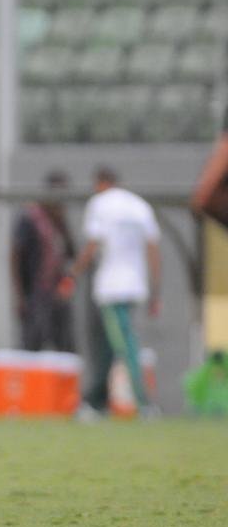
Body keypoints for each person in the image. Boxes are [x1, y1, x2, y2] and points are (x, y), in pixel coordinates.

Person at [70, 166, 162, 416]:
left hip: (111, 287)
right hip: (135, 287)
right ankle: (97, 402)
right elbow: (153, 250)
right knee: (113, 343)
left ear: (101, 183)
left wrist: (72, 275)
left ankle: (143, 403)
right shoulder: (139, 206)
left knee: (123, 344)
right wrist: (156, 291)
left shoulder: (100, 204)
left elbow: (91, 246)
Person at [11, 170, 76, 351]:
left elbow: (71, 253)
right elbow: (15, 256)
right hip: (35, 293)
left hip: (57, 293)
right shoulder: (31, 217)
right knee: (33, 342)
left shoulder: (58, 220)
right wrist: (20, 296)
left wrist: (61, 223)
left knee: (65, 343)